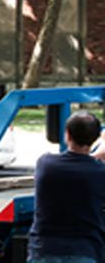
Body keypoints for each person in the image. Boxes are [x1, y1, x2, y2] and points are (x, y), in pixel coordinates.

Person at [28, 111, 105, 263]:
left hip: (44, 250)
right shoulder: (99, 172)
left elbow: (76, 162)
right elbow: (85, 164)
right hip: (84, 251)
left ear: (67, 135)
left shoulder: (45, 163)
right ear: (94, 139)